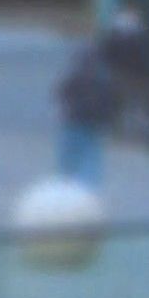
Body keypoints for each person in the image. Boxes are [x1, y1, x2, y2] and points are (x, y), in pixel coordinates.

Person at [55, 37, 119, 188]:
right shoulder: (104, 78)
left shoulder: (76, 75)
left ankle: (65, 181)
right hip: (93, 121)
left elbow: (62, 92)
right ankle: (86, 184)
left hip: (75, 118)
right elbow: (112, 100)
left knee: (70, 152)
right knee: (90, 153)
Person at [100, 3, 149, 139]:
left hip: (124, 74)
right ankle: (126, 131)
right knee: (129, 104)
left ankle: (121, 131)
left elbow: (106, 52)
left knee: (123, 104)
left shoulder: (117, 33)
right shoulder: (140, 33)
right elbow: (147, 55)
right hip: (131, 75)